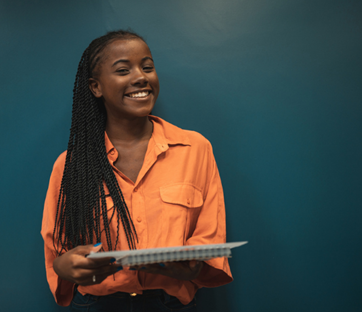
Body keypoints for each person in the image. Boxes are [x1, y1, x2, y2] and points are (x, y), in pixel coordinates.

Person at [41, 30, 232, 312]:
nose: (141, 77)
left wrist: (193, 267)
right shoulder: (70, 165)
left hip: (171, 305)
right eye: (122, 70)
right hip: (98, 305)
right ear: (96, 87)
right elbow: (58, 253)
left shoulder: (195, 149)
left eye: (147, 67)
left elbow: (208, 239)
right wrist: (65, 266)